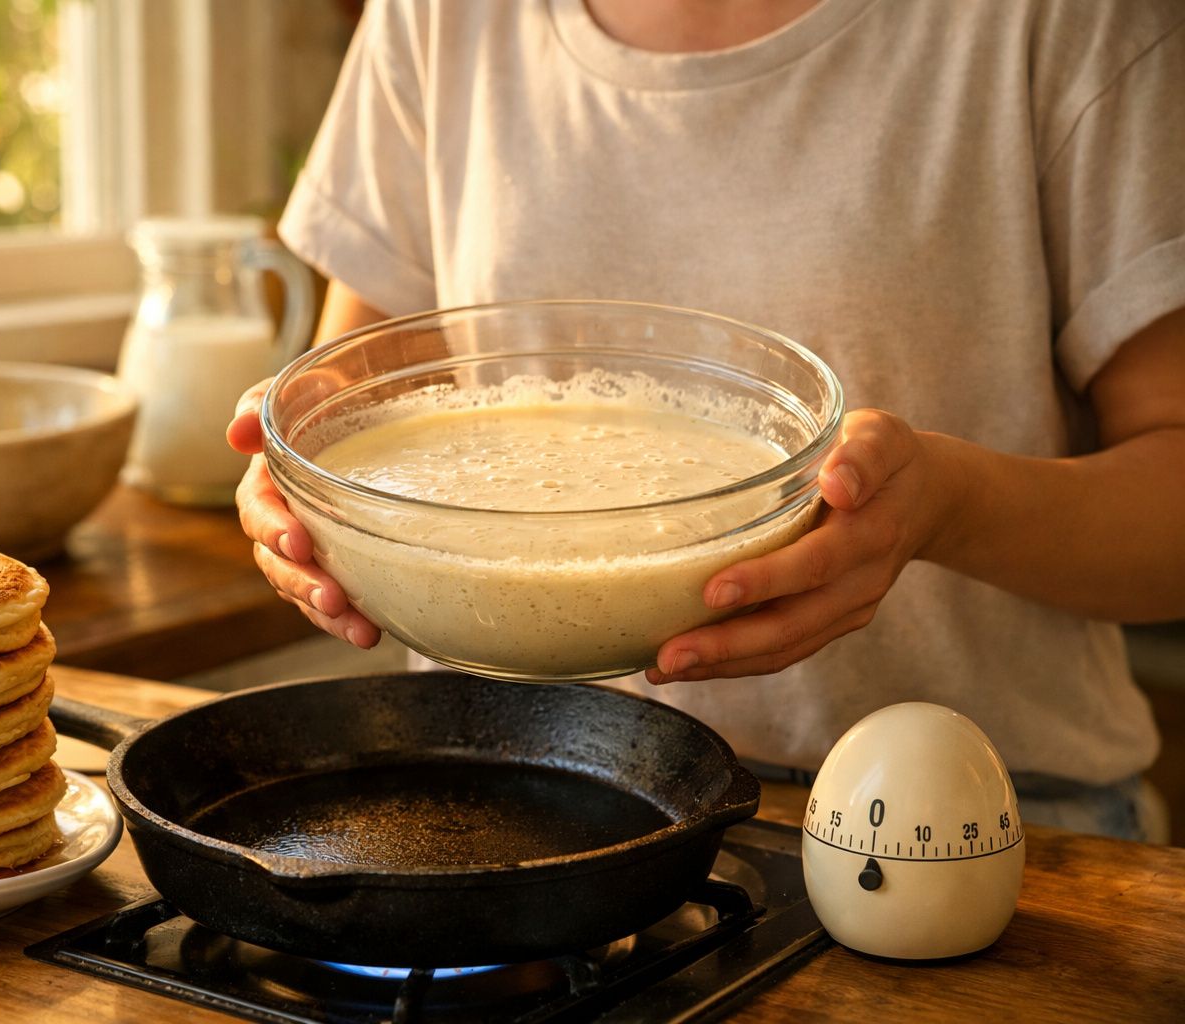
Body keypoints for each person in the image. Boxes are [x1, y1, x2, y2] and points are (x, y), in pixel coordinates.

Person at [227, 0, 1185, 840]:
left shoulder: (1068, 21)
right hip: (502, 795)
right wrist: (287, 490)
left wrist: (945, 507)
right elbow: (350, 401)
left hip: (970, 825)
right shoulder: (442, 14)